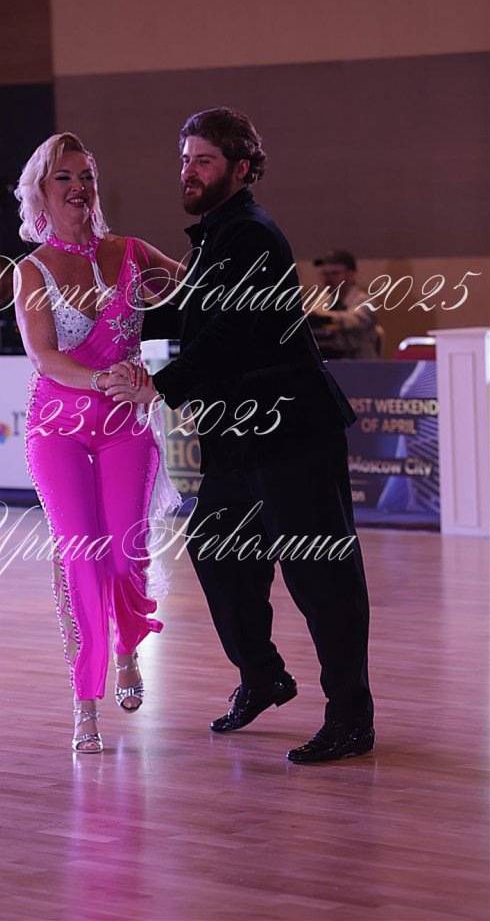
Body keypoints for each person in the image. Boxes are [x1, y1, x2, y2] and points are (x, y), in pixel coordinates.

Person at [107, 108, 374, 763]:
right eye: (185, 159)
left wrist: (157, 384)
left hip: (291, 429)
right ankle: (263, 676)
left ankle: (351, 718)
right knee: (218, 549)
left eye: (203, 160)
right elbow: (193, 314)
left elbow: (229, 333)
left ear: (241, 167)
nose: (188, 171)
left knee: (320, 576)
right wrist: (110, 322)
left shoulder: (251, 234)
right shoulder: (218, 235)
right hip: (241, 434)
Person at [13, 132, 182, 754]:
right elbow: (44, 357)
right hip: (58, 429)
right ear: (41, 191)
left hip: (124, 429)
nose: (79, 188)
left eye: (86, 176)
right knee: (81, 557)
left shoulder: (131, 252)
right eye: (65, 178)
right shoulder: (30, 270)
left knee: (125, 556)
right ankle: (85, 702)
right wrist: (105, 378)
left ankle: (128, 648)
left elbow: (197, 292)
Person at [308, 249, 379, 359]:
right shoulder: (324, 298)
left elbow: (354, 321)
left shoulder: (365, 300)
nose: (328, 279)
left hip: (359, 363)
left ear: (351, 274)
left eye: (335, 273)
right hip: (328, 362)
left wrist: (323, 316)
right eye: (325, 274)